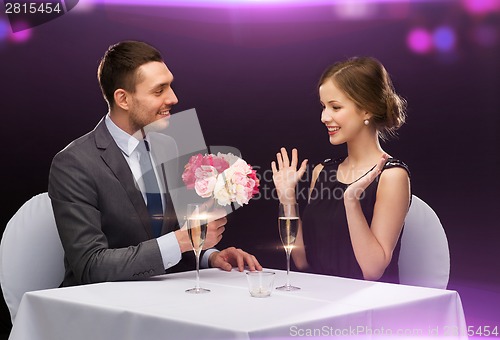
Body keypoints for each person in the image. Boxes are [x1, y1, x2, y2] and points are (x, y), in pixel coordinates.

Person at [48, 40, 261, 287]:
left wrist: (209, 256)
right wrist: (183, 240)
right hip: (100, 310)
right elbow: (90, 266)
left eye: (170, 86)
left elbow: (166, 237)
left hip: (163, 296)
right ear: (123, 99)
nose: (173, 98)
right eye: (159, 91)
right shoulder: (74, 163)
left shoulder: (167, 146)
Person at [271, 56, 410, 283]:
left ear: (367, 110)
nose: (324, 117)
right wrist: (287, 198)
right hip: (318, 296)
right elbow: (302, 261)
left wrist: (351, 201)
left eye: (335, 107)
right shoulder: (322, 172)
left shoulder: (392, 176)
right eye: (323, 107)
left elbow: (372, 271)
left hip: (366, 308)